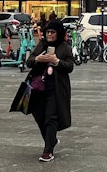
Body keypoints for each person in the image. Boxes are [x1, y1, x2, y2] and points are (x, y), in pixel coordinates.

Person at [24, 19, 75, 161]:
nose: (49, 35)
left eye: (52, 32)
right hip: (38, 87)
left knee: (51, 117)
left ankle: (48, 151)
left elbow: (70, 66)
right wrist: (38, 59)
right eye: (48, 32)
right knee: (39, 115)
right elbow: (29, 61)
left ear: (58, 34)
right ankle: (51, 140)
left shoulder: (65, 47)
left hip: (56, 88)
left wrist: (56, 61)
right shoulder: (42, 45)